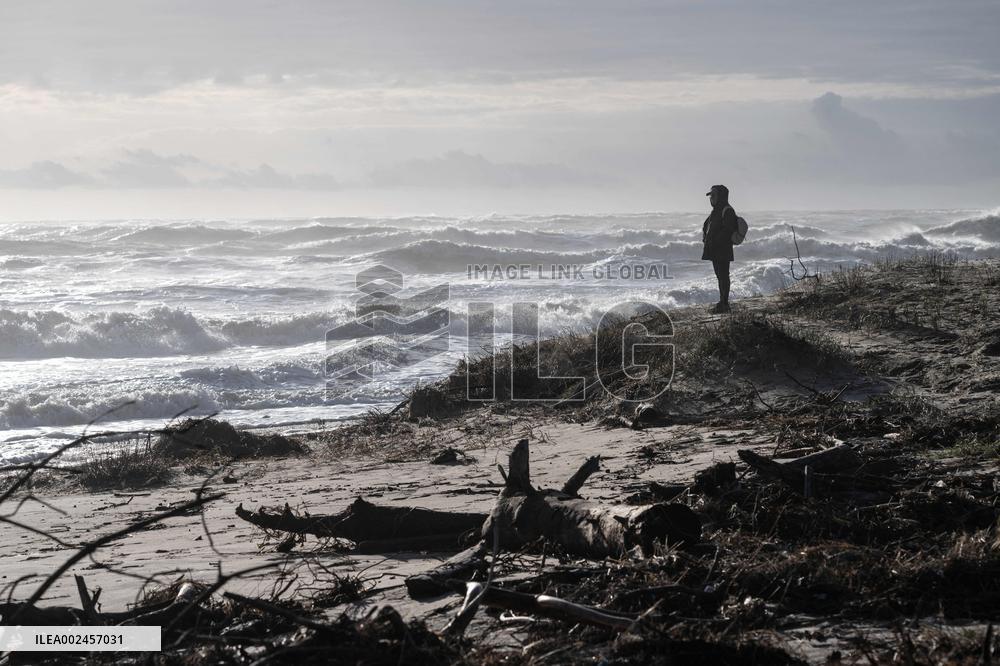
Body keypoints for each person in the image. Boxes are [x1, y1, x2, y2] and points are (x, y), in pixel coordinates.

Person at [701, 184, 738, 314]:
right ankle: (722, 302)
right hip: (714, 249)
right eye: (711, 196)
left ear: (721, 196)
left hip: (722, 249)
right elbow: (706, 225)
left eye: (714, 195)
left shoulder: (727, 210)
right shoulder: (715, 211)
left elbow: (728, 230)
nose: (711, 198)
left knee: (723, 276)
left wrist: (715, 241)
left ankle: (724, 303)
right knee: (719, 276)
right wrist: (706, 237)